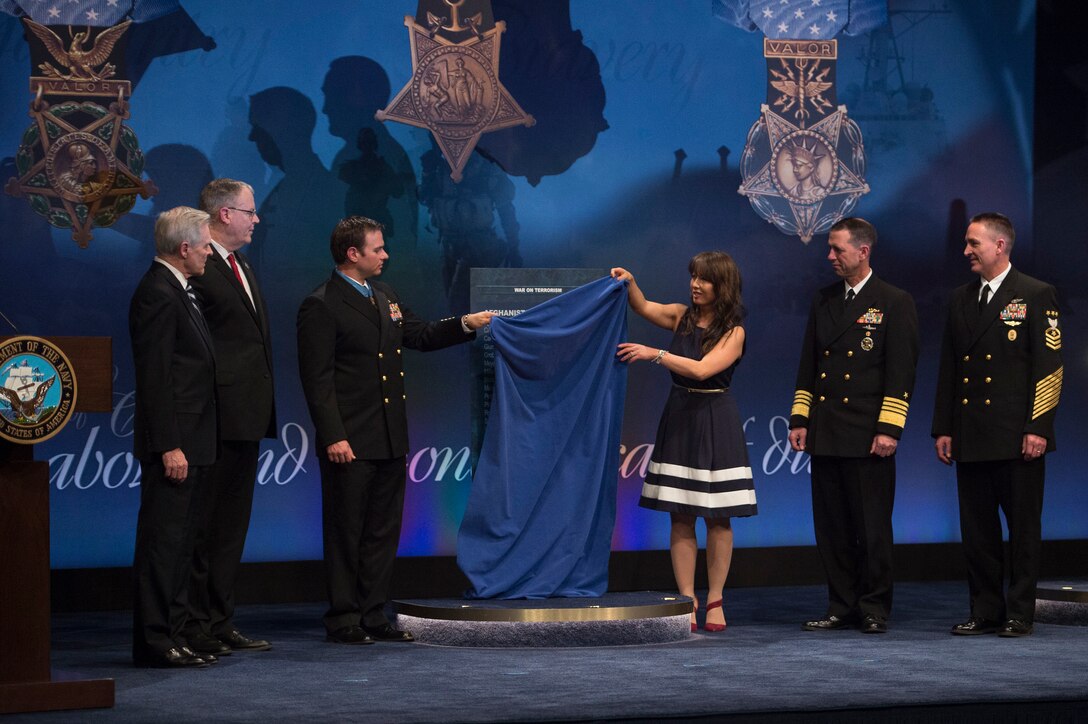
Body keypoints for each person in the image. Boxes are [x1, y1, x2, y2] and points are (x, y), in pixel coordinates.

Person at [297, 216, 493, 645]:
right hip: (349, 440)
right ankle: (344, 618)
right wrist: (333, 435)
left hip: (388, 436)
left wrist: (466, 323)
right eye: (378, 248)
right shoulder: (323, 304)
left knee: (383, 531)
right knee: (347, 531)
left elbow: (419, 335)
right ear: (353, 254)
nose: (386, 255)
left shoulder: (384, 294)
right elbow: (318, 380)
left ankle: (373, 613)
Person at [612, 252, 757, 633]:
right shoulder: (681, 315)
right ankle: (686, 600)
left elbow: (702, 368)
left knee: (719, 516)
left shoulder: (733, 331)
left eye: (704, 279)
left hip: (715, 417)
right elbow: (642, 306)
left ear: (721, 285)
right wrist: (631, 280)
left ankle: (716, 600)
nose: (695, 284)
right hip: (680, 415)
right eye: (693, 276)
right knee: (681, 513)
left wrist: (654, 354)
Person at [932, 212, 1062, 638]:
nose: (966, 251)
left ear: (999, 246)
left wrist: (1038, 427)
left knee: (1023, 532)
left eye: (974, 243)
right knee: (978, 532)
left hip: (1017, 436)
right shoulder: (960, 298)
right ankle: (985, 609)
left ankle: (1020, 612)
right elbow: (949, 367)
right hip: (971, 435)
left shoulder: (1036, 294)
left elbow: (1050, 368)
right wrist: (944, 427)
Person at [788, 217, 918, 635]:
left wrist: (889, 429)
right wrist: (800, 417)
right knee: (832, 528)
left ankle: (874, 607)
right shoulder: (823, 300)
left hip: (868, 434)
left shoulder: (893, 301)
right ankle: (841, 605)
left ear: (863, 251)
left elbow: (901, 372)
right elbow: (809, 363)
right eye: (830, 248)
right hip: (826, 431)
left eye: (837, 249)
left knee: (872, 528)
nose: (830, 256)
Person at [182, 179, 274, 657]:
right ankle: (195, 624)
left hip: (245, 418)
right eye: (249, 212)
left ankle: (220, 621)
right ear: (223, 215)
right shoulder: (197, 266)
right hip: (213, 419)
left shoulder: (241, 266)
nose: (256, 219)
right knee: (204, 526)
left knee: (231, 527)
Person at [129, 206, 217, 668]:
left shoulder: (182, 289)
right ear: (185, 249)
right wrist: (169, 444)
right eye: (205, 244)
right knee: (164, 545)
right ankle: (156, 640)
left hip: (195, 440)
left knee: (183, 543)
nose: (209, 252)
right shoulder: (158, 293)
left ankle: (177, 633)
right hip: (176, 444)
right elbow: (156, 377)